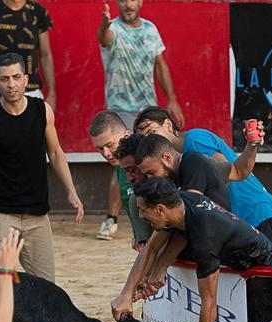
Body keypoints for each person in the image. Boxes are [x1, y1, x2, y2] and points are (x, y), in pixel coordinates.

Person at [116, 178, 272, 322]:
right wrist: (127, 293)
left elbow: (209, 302)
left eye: (142, 210)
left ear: (160, 209)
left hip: (270, 268)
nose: (140, 215)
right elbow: (152, 247)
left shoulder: (205, 238)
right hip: (247, 262)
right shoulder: (179, 203)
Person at [0, 53, 83, 283]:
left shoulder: (42, 111)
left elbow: (55, 153)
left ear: (26, 79)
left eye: (16, 77)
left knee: (46, 288)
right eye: (4, 79)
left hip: (37, 215)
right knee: (0, 282)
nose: (11, 84)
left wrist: (71, 191)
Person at [135, 106, 272, 253]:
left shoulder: (194, 141)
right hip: (240, 223)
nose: (149, 140)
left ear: (167, 125)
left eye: (151, 132)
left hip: (256, 214)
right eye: (143, 138)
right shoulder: (172, 164)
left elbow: (225, 175)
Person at [96, 0, 184, 240]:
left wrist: (172, 99)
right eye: (123, 0)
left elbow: (160, 66)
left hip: (147, 109)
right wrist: (103, 25)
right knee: (124, 163)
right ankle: (112, 217)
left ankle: (159, 211)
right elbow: (105, 38)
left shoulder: (150, 29)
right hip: (121, 108)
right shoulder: (113, 27)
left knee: (153, 160)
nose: (128, 4)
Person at [0, 0, 55, 110]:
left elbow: (46, 55)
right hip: (0, 94)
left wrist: (52, 92)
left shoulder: (38, 12)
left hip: (32, 92)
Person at [87, 110, 151, 245]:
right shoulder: (120, 166)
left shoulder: (149, 162)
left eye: (110, 145)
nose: (106, 154)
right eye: (100, 148)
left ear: (127, 136)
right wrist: (139, 236)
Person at [134, 133, 234, 213]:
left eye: (151, 172)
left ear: (167, 158)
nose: (150, 178)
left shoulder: (191, 161)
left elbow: (189, 208)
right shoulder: (171, 178)